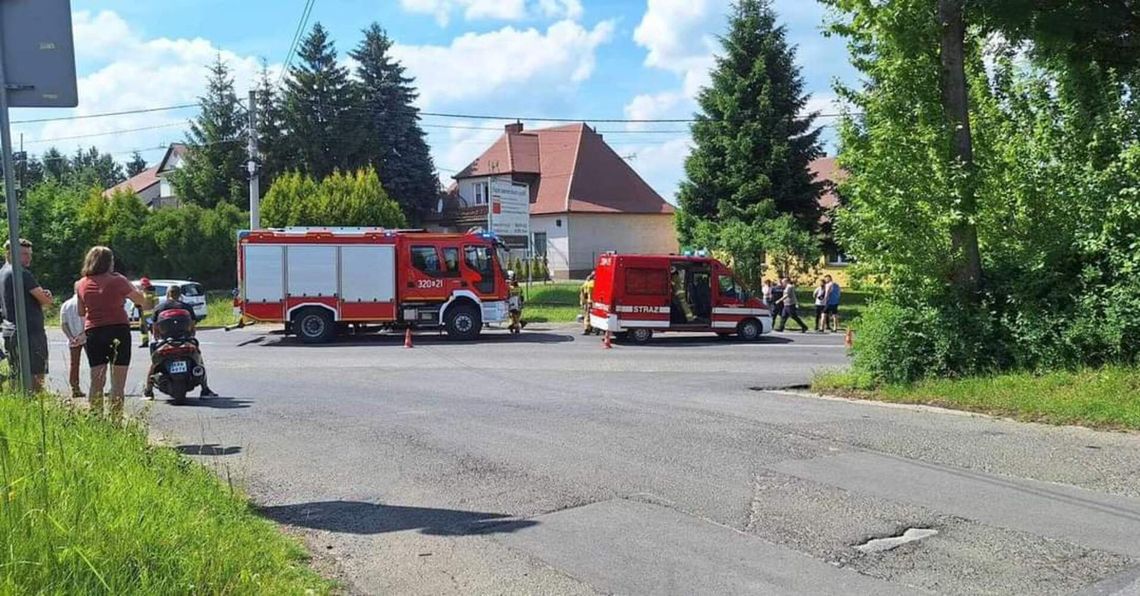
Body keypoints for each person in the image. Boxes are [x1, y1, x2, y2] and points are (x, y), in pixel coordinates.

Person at [76, 246, 148, 422]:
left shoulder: (80, 283)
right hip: (118, 329)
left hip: (93, 331)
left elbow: (80, 311)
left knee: (97, 380)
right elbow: (141, 301)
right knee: (117, 383)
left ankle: (96, 419)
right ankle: (115, 422)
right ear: (108, 262)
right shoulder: (118, 281)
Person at [145, 284, 217, 399]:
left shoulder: (159, 307)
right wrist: (189, 336)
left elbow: (155, 328)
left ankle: (148, 391)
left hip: (165, 341)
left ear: (168, 294)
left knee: (154, 363)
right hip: (184, 339)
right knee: (198, 359)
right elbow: (192, 327)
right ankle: (205, 389)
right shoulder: (186, 307)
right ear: (179, 295)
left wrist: (158, 338)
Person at [0, 239, 53, 393]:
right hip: (30, 331)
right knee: (37, 374)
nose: (28, 258)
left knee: (16, 373)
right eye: (23, 254)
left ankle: (21, 405)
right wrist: (47, 296)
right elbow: (45, 300)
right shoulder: (21, 273)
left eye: (30, 254)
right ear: (9, 253)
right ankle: (34, 406)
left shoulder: (2, 273)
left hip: (10, 330)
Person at [60, 294, 87, 398]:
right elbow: (89, 321)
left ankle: (75, 388)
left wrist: (70, 337)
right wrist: (82, 335)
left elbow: (63, 324)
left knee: (74, 364)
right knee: (94, 364)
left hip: (72, 338)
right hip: (86, 337)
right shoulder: (85, 303)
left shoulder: (65, 305)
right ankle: (97, 388)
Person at [137, 277, 156, 348]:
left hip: (150, 315)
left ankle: (155, 341)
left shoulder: (152, 294)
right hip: (142, 315)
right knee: (143, 329)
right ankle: (145, 342)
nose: (141, 287)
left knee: (152, 329)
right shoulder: (142, 293)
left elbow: (156, 303)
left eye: (142, 285)